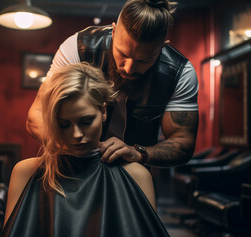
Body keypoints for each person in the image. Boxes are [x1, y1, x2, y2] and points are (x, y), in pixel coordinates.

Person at [1, 63, 170, 237]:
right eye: (64, 124)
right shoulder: (26, 173)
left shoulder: (136, 175)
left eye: (86, 121)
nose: (76, 135)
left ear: (103, 111)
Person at [26, 0, 199, 167]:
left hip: (134, 175)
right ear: (113, 32)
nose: (129, 68)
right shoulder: (78, 47)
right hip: (72, 167)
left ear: (161, 47)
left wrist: (138, 153)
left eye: (143, 60)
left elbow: (183, 142)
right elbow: (36, 116)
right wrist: (76, 148)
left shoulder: (180, 72)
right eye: (123, 54)